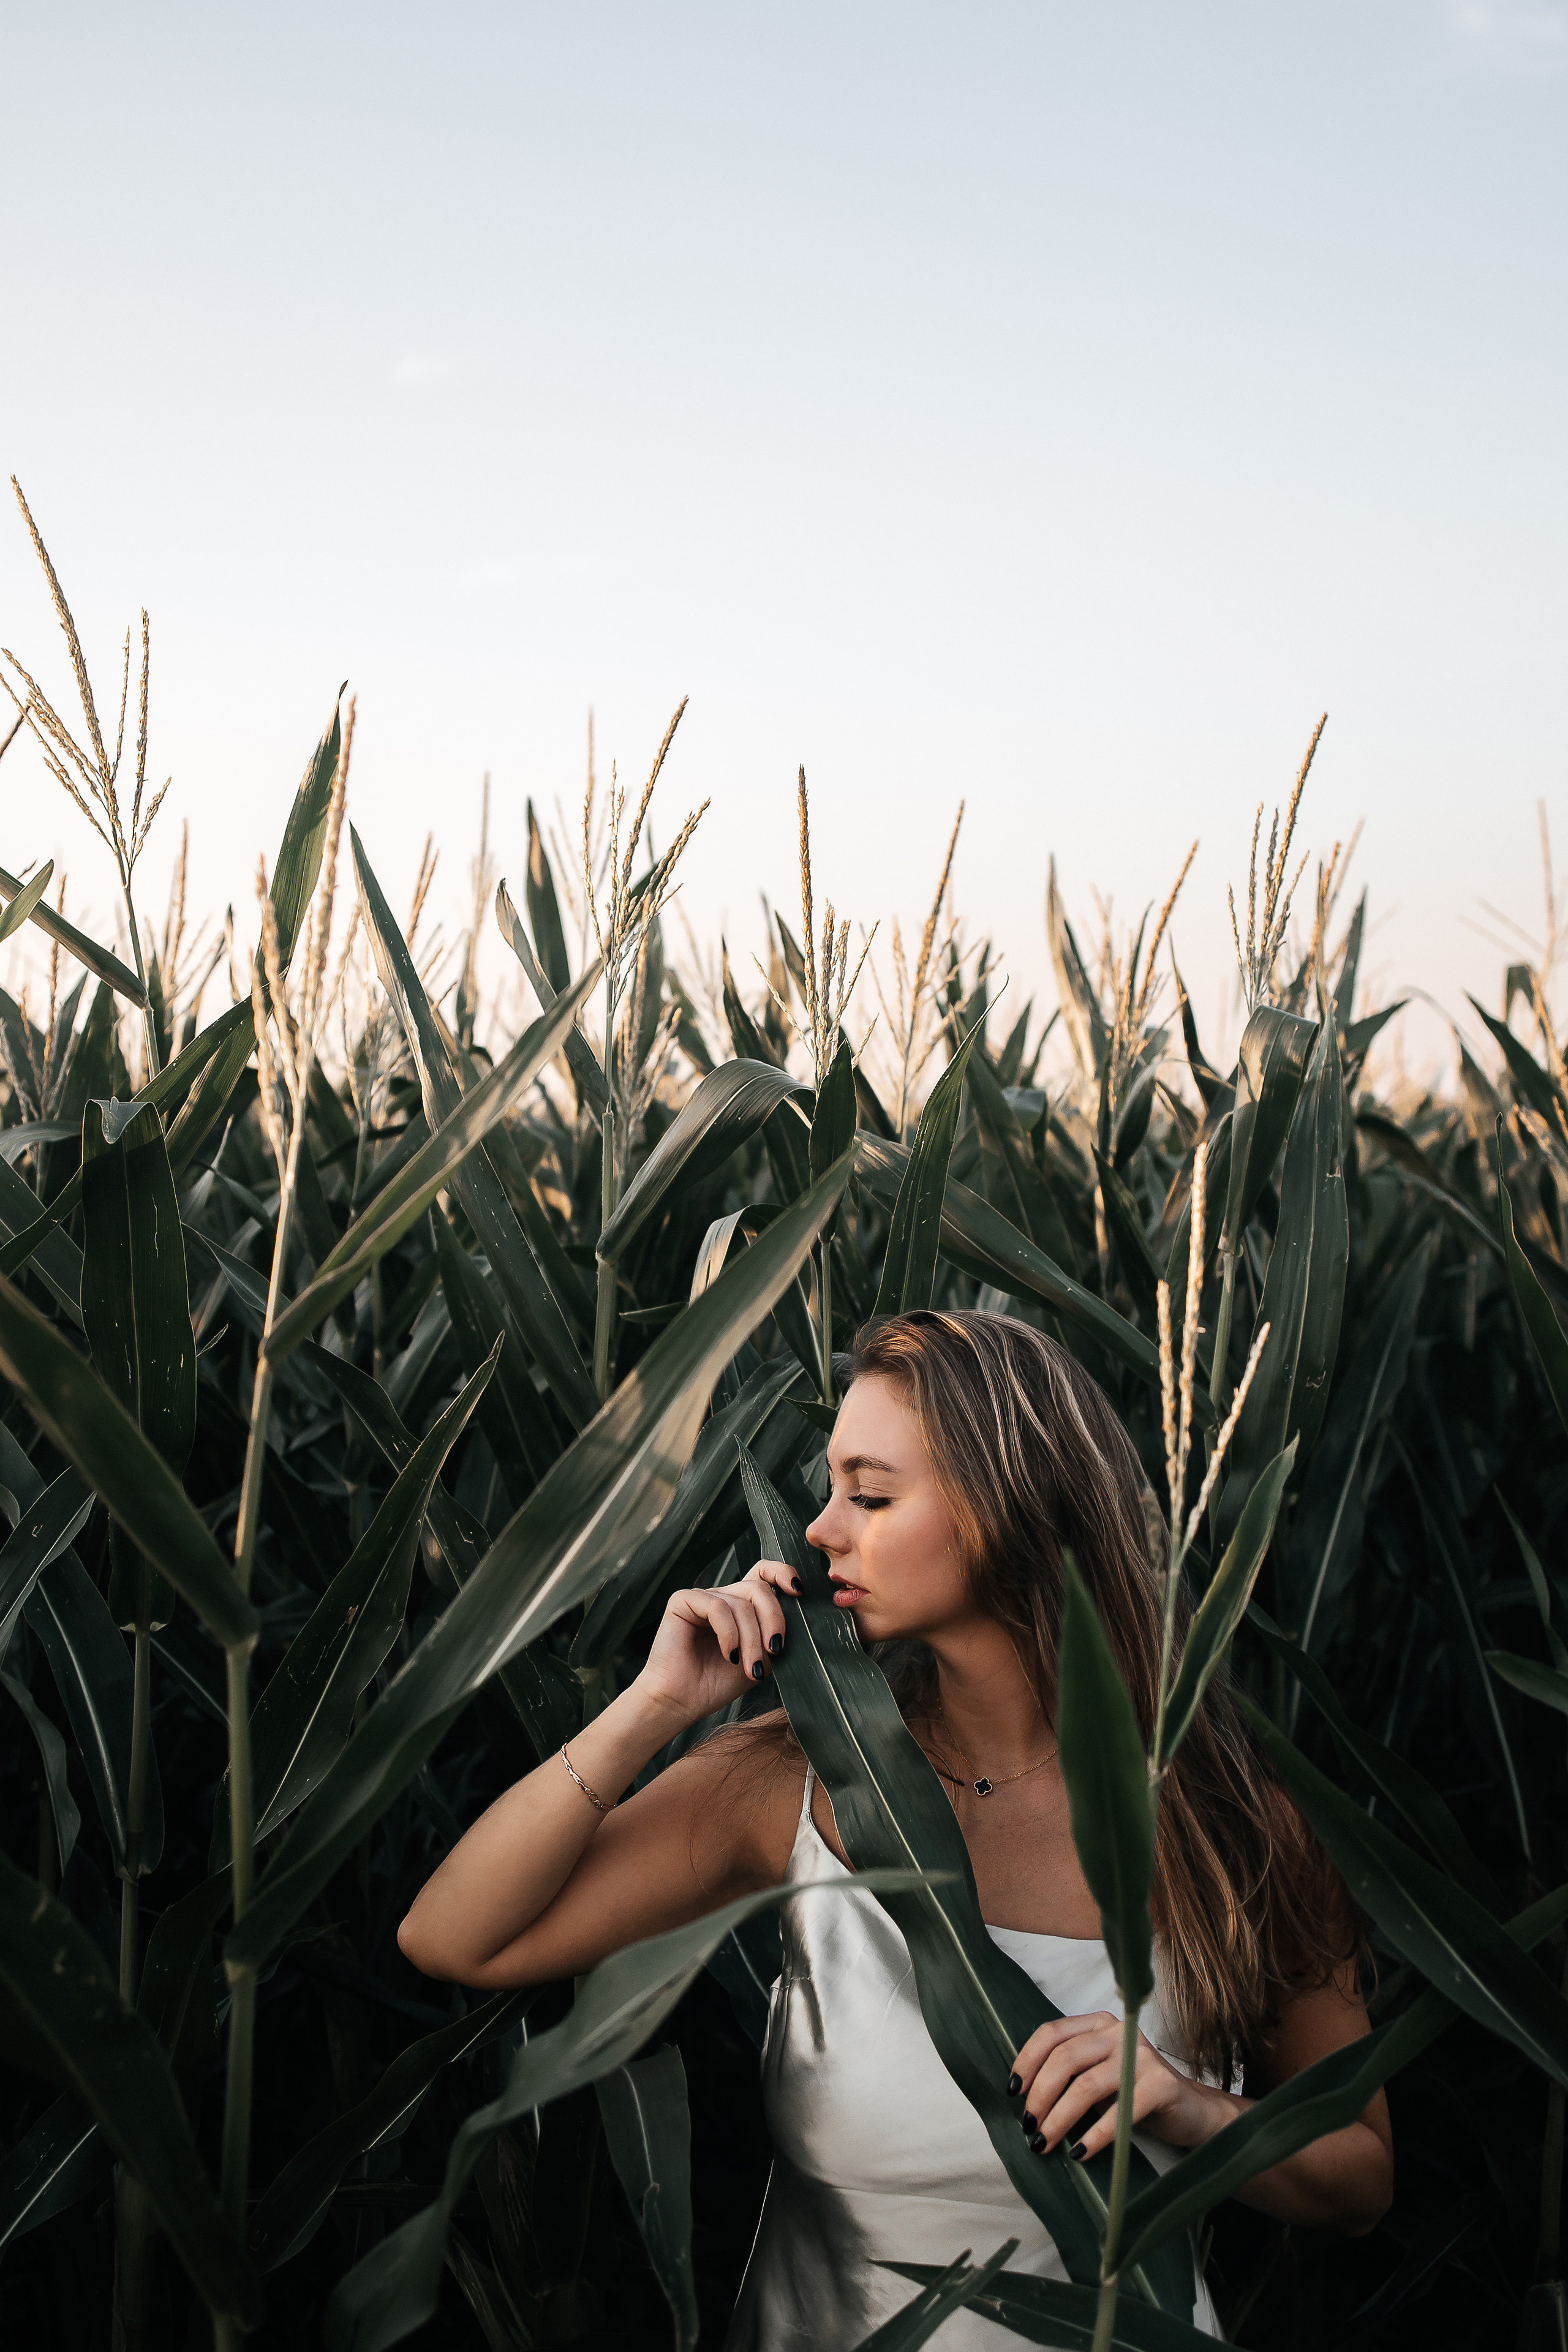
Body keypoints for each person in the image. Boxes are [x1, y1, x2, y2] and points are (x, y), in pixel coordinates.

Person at [399, 1310, 1393, 2346]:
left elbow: (1361, 2180)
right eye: (833, 1490)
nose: (821, 1530)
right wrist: (653, 1706)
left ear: (1011, 1505)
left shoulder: (1227, 1821)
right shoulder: (797, 1777)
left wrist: (1194, 2112)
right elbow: (455, 1938)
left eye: (869, 1496)